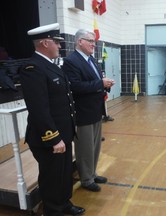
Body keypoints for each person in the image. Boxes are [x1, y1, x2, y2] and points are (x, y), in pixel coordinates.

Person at [20, 23, 85, 216]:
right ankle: (53, 210)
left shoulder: (50, 66)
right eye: (56, 42)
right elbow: (39, 109)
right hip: (49, 137)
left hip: (63, 133)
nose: (59, 46)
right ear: (45, 43)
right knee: (51, 177)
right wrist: (54, 138)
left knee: (64, 174)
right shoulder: (32, 68)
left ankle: (64, 203)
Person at [62, 29, 115, 192]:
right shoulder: (71, 61)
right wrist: (101, 84)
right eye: (90, 41)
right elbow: (75, 87)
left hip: (96, 111)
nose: (94, 44)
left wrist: (105, 85)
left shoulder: (92, 60)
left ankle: (92, 173)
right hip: (82, 112)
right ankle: (86, 179)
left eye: (94, 41)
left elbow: (96, 82)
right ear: (79, 42)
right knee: (85, 148)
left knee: (95, 146)